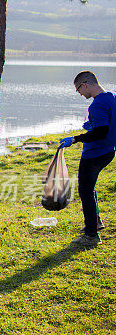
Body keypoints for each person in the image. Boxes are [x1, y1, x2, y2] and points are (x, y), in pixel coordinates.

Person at [59, 71, 116, 246]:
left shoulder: (97, 105)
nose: (80, 94)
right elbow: (106, 125)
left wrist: (76, 139)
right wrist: (92, 126)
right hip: (109, 151)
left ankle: (91, 235)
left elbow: (100, 133)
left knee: (85, 190)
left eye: (78, 90)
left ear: (85, 84)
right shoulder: (112, 97)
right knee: (89, 188)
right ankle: (96, 222)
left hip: (95, 153)